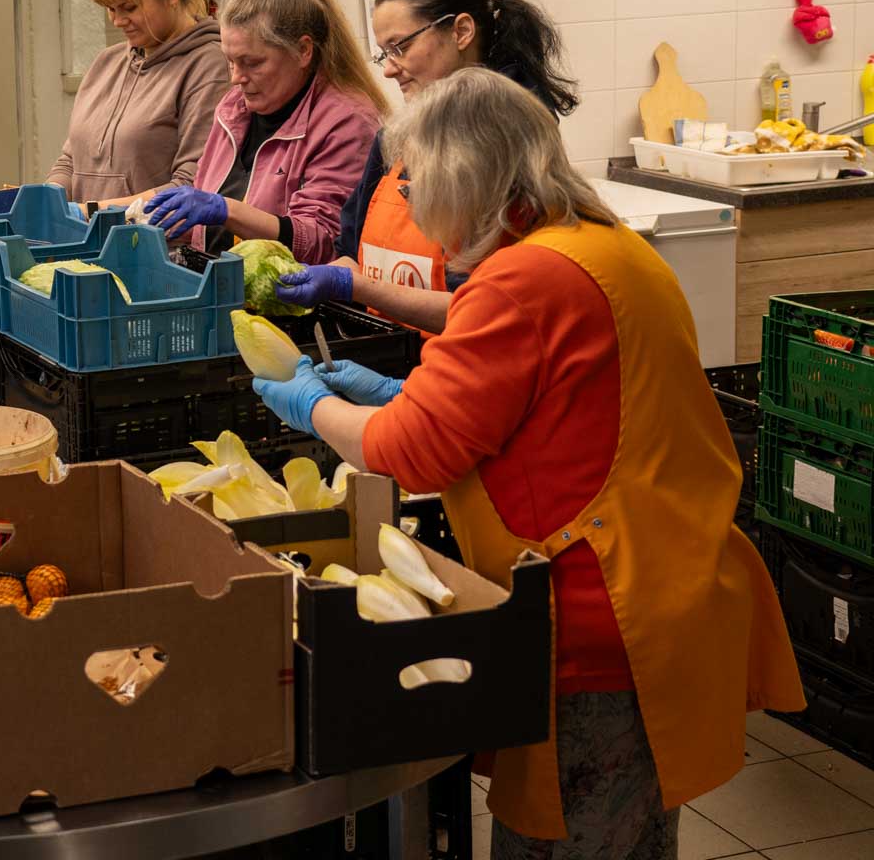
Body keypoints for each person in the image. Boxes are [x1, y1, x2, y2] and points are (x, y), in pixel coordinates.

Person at [252, 69, 801, 859]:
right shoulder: (599, 244)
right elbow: (522, 374)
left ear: (464, 183)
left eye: (418, 187)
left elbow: (409, 451)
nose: (414, 209)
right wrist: (401, 383)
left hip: (597, 600)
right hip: (666, 580)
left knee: (573, 839)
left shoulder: (526, 276)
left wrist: (306, 402)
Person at [275, 0, 578, 333]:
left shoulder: (507, 143)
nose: (388, 68)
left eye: (400, 46)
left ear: (461, 31)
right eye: (384, 52)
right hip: (393, 358)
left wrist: (359, 286)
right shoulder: (398, 136)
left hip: (470, 366)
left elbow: (489, 312)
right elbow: (351, 250)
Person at [143, 0, 387, 262]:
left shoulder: (347, 122)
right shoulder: (233, 107)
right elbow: (208, 221)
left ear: (303, 50)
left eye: (252, 63)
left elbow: (323, 242)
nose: (236, 78)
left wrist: (227, 210)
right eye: (230, 61)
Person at [45, 0, 228, 207]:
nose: (117, 21)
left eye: (128, 7)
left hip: (156, 246)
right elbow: (70, 161)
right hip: (90, 241)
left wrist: (90, 212)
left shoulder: (209, 66)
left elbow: (190, 186)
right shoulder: (106, 62)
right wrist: (47, 201)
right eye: (110, 9)